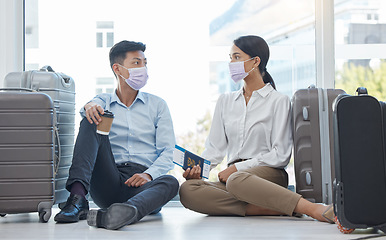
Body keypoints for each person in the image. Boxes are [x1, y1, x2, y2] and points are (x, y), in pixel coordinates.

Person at [179, 35, 334, 224]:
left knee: (237, 180)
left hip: (267, 174)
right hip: (234, 180)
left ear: (256, 61)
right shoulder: (225, 101)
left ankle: (313, 209)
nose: (231, 63)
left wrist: (238, 167)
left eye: (236, 57)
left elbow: (281, 155)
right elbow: (215, 150)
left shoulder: (278, 101)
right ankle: (267, 208)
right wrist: (198, 169)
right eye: (230, 58)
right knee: (188, 190)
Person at [54, 40, 179, 230]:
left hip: (143, 187)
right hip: (109, 180)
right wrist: (89, 106)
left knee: (170, 182)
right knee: (91, 119)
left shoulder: (158, 105)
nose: (143, 68)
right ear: (118, 69)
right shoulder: (103, 101)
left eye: (145, 62)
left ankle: (121, 213)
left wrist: (147, 174)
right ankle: (77, 200)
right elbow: (91, 106)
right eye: (136, 63)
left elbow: (168, 152)